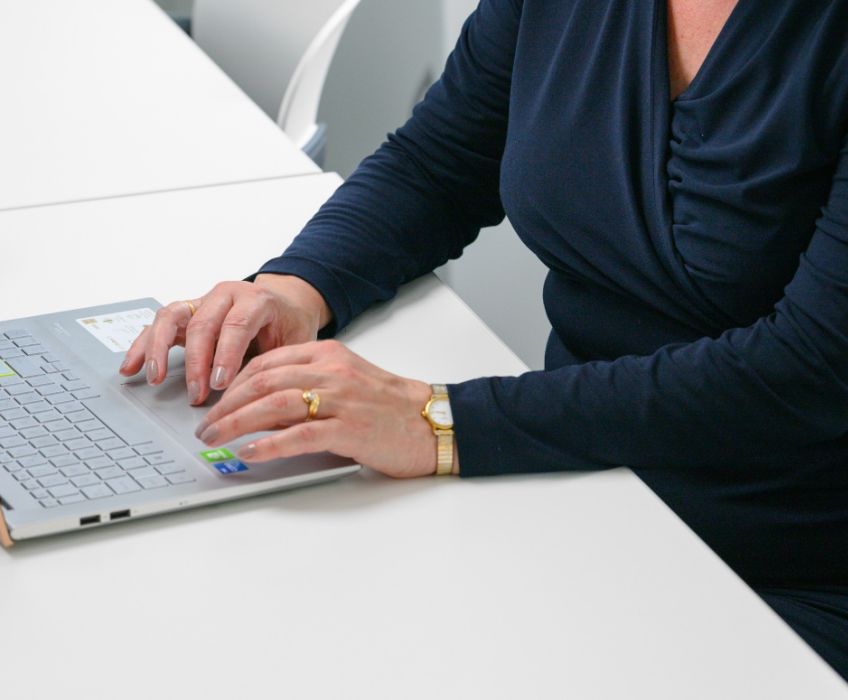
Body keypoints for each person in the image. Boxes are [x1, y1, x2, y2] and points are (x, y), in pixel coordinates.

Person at [123, 0, 848, 678]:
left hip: (781, 566)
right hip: (580, 488)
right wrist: (294, 289)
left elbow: (807, 371)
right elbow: (440, 162)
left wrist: (437, 421)